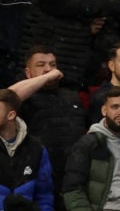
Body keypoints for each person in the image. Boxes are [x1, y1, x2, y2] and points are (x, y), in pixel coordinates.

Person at [9, 47, 90, 194]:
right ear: (28, 73)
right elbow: (7, 99)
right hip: (39, 171)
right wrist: (46, 78)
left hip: (75, 172)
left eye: (53, 65)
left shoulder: (72, 95)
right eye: (41, 65)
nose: (49, 69)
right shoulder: (26, 98)